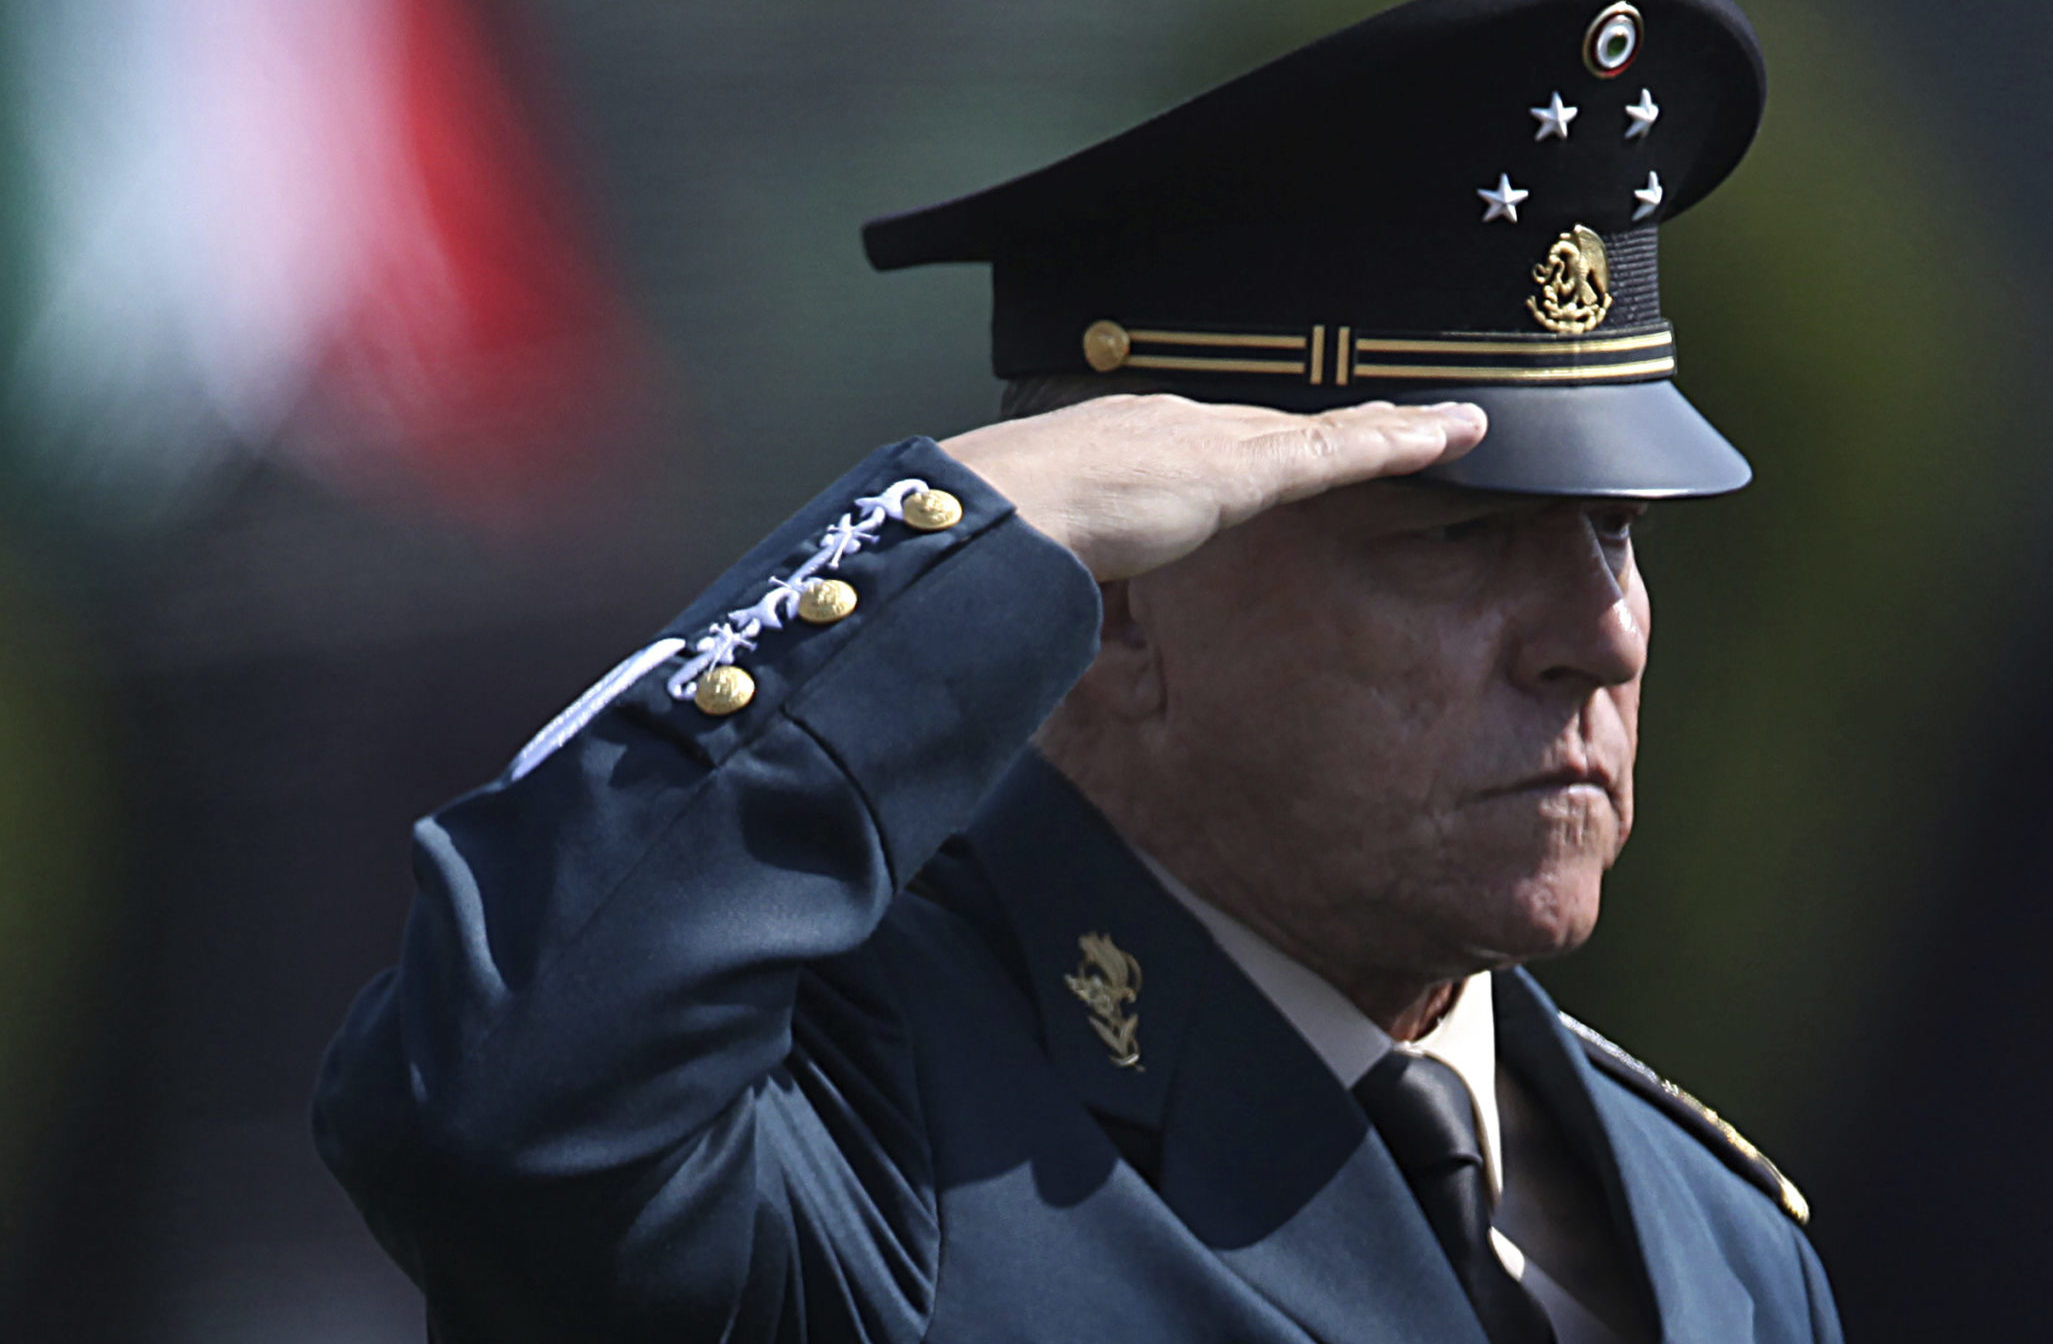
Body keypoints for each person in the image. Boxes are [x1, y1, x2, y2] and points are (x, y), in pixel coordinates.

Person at [314, 1, 1842, 1341]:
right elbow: (498, 1095)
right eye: (1454, 541)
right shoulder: (865, 1127)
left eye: (1621, 537)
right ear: (1113, 608)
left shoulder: (1720, 1245)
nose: (1606, 634)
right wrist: (972, 535)